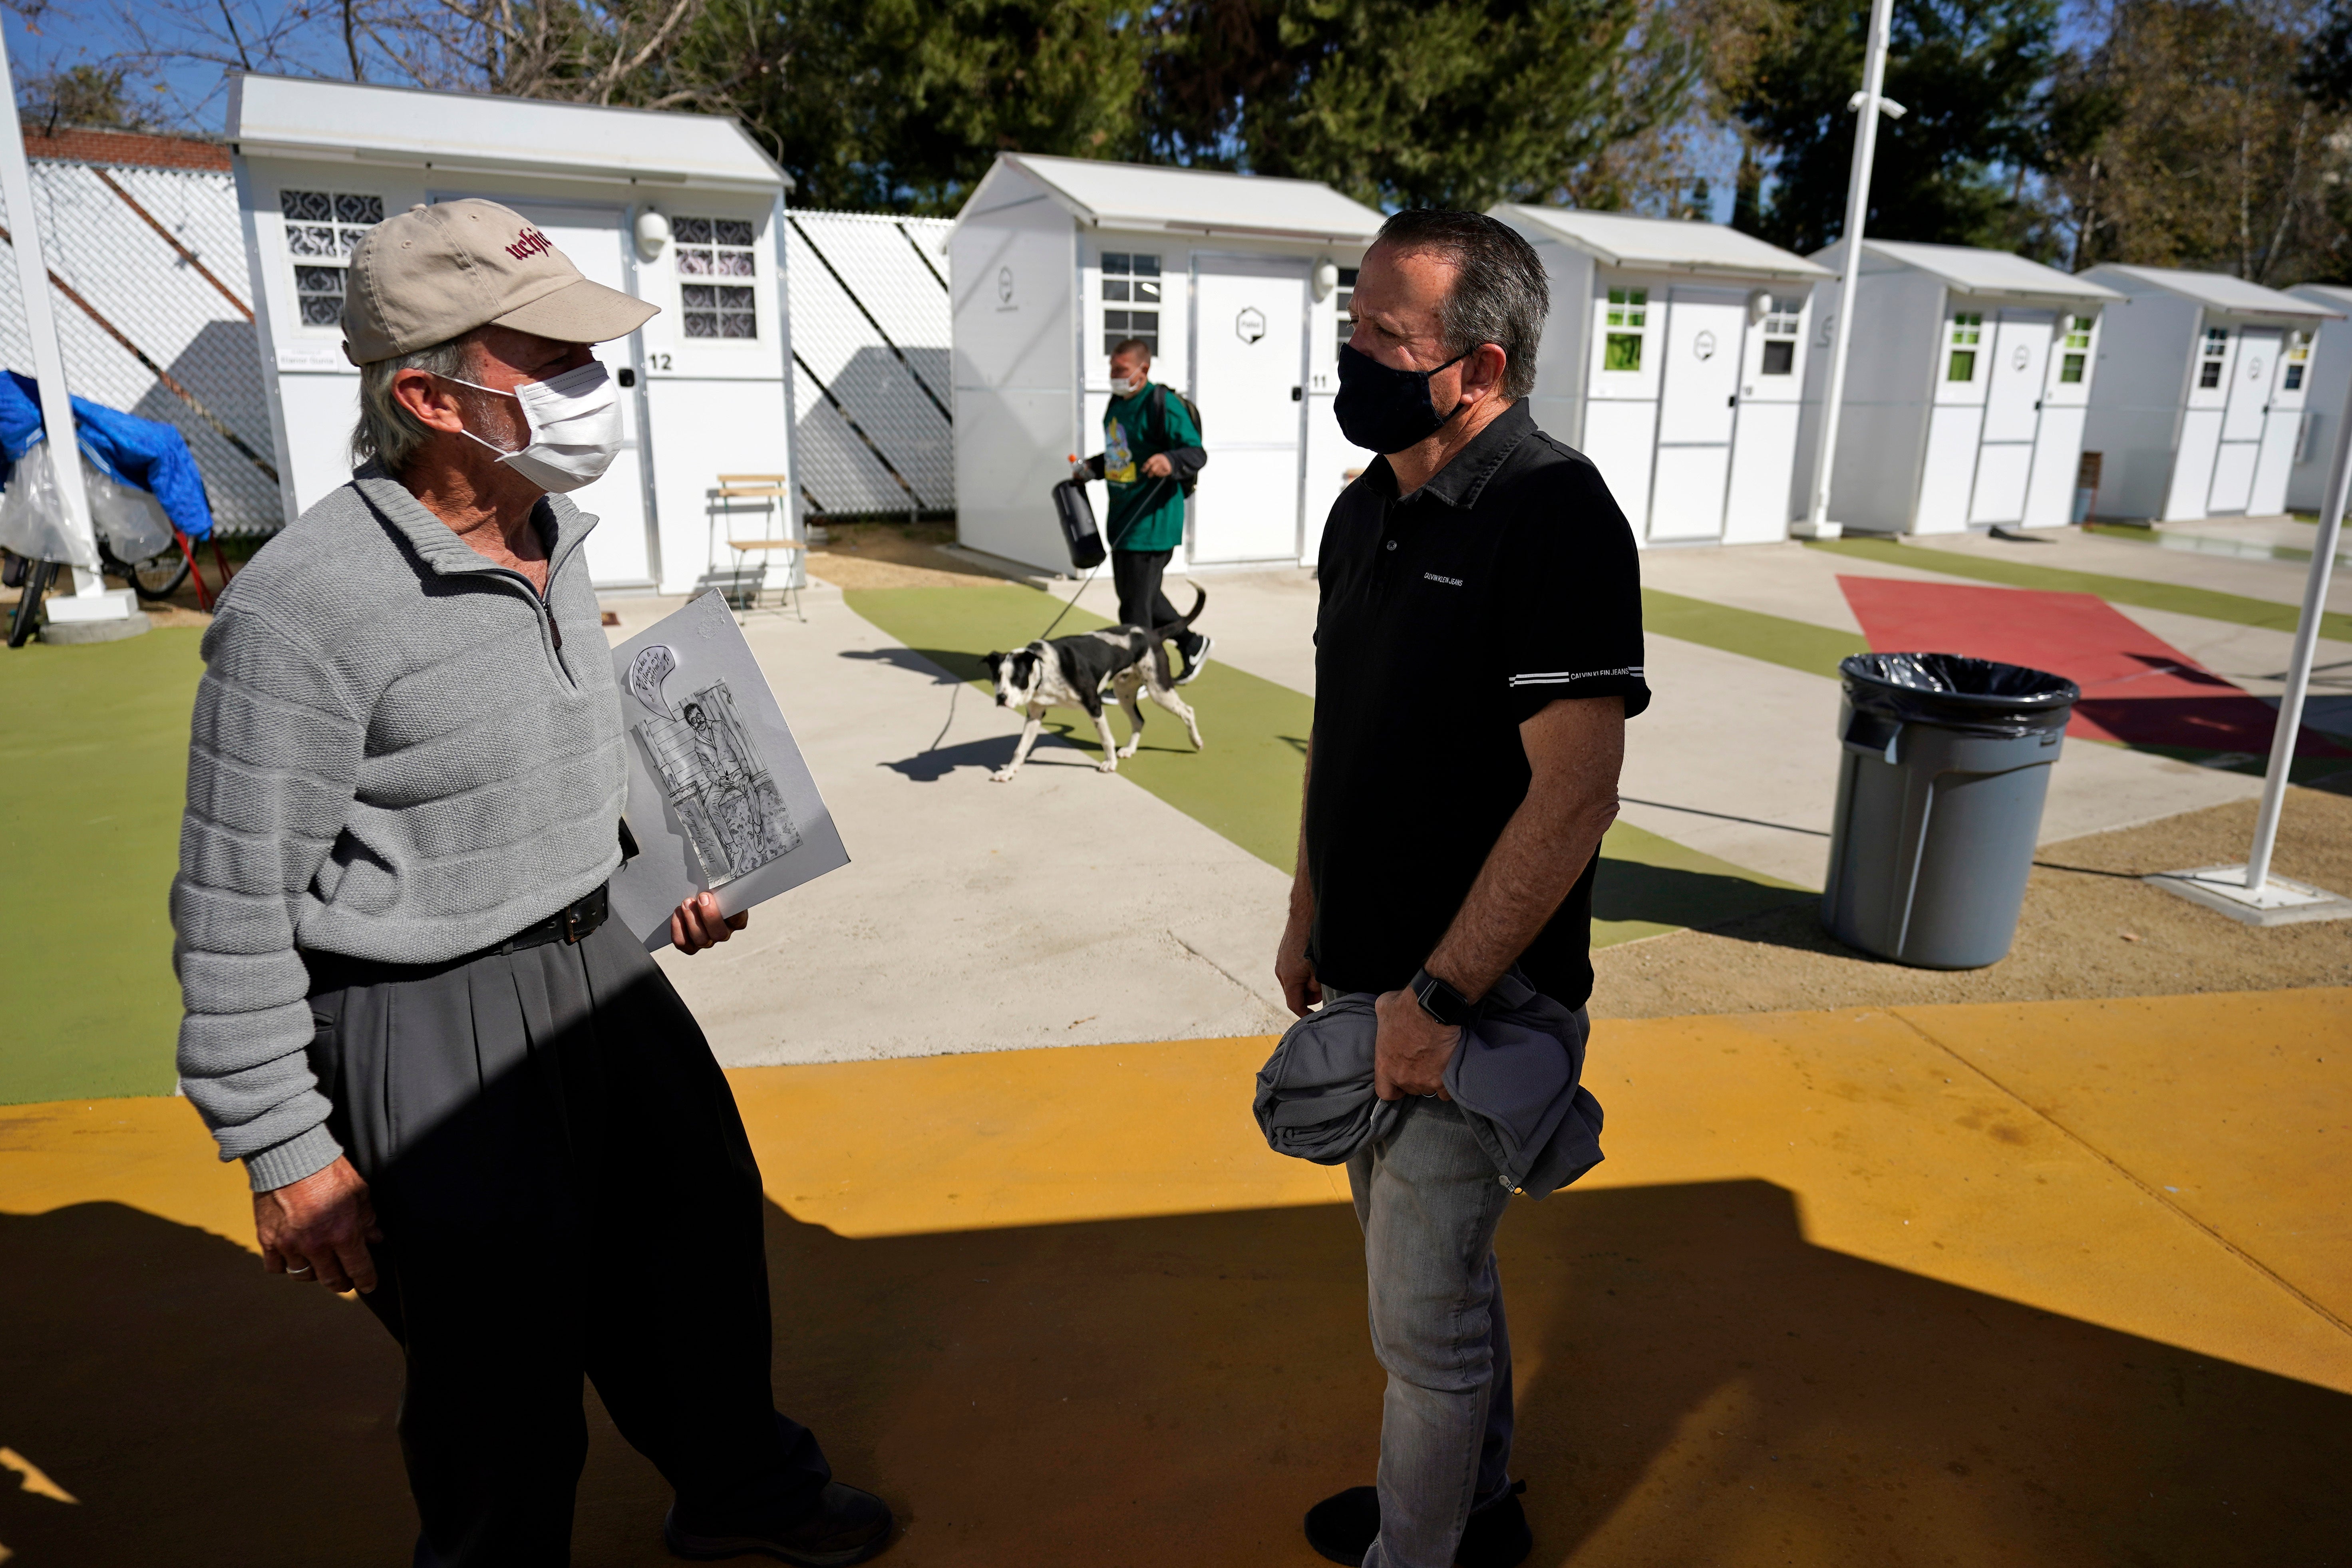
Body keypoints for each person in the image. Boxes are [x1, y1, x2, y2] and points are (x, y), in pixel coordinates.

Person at [168, 199, 891, 1567]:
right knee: (496, 1373)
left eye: (589, 352)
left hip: (599, 964)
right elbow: (231, 901)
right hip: (427, 1017)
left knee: (696, 1255)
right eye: (547, 359)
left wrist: (651, 866)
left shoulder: (549, 529)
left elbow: (571, 741)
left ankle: (739, 1491)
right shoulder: (304, 607)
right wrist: (286, 1149)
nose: (591, 386)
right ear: (429, 394)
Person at [1274, 210, 1648, 1568]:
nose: (1351, 350)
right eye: (1353, 318)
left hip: (1475, 1001)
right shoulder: (1362, 505)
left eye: (1385, 333)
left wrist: (1436, 997)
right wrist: (1305, 908)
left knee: (1418, 1331)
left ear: (1477, 366)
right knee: (1429, 1280)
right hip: (1373, 981)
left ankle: (1416, 1553)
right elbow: (1343, 725)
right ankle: (1473, 1504)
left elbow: (1573, 792)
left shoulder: (1553, 514)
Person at [1074, 336, 1213, 683]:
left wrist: (1169, 459)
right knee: (1143, 597)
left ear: (1143, 369)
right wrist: (1092, 467)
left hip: (1152, 521)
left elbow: (1196, 454)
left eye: (1120, 370)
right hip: (1122, 518)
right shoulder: (1116, 403)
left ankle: (1136, 677)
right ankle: (1191, 642)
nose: (1114, 376)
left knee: (1134, 609)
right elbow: (1120, 456)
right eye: (1112, 369)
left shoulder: (1162, 404)